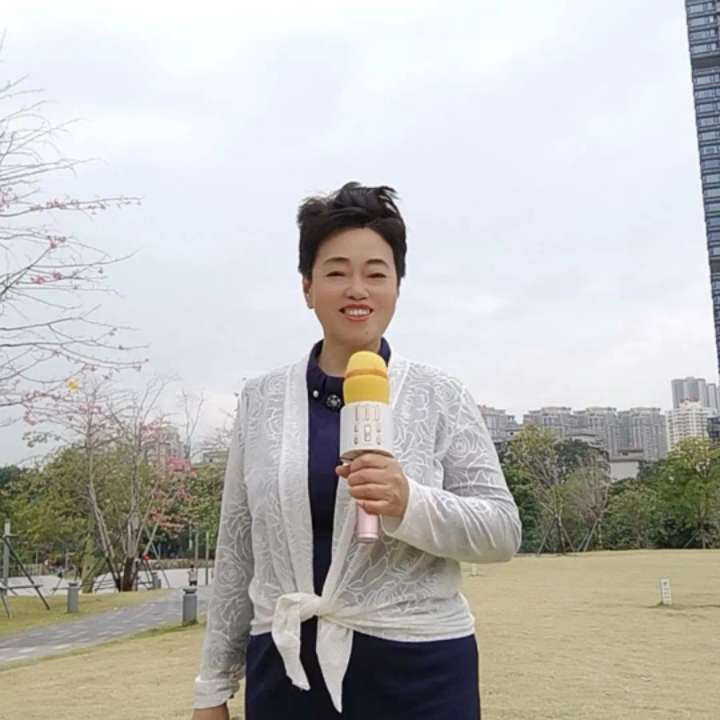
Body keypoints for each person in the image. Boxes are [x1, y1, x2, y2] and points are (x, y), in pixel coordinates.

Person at [191, 182, 522, 720]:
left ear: (397, 286)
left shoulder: (440, 394)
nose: (357, 289)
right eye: (336, 272)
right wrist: (211, 688)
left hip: (419, 674)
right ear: (307, 287)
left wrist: (409, 501)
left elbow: (502, 530)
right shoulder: (261, 399)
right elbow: (237, 548)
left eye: (376, 273)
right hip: (286, 673)